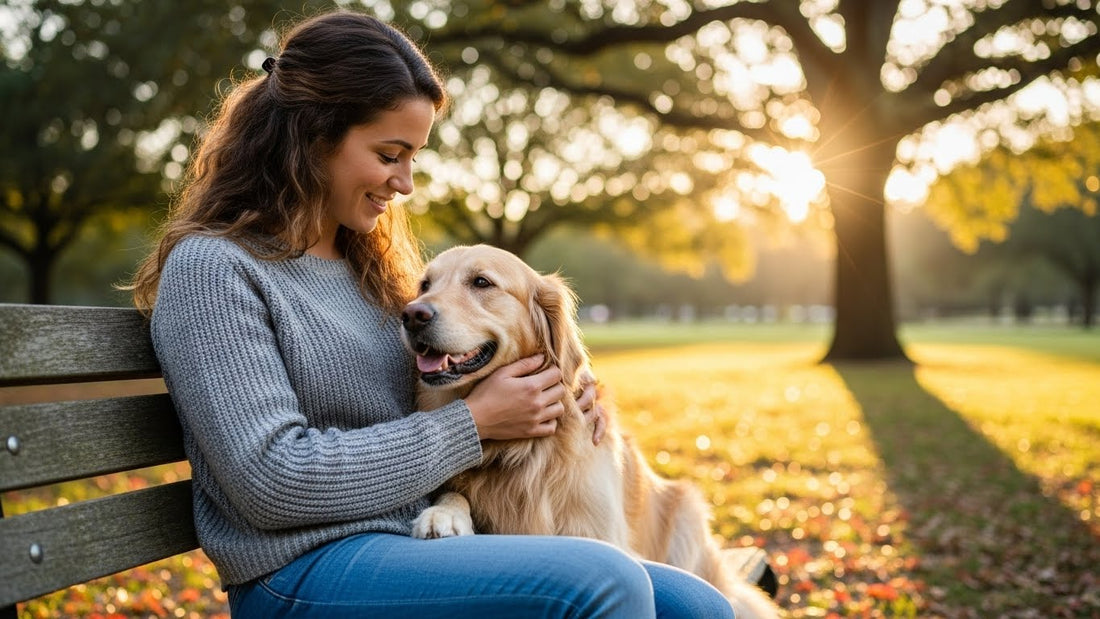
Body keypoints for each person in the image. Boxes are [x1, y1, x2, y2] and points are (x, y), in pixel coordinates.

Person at [129, 9, 735, 618]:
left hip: (426, 535)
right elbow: (270, 481)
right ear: (314, 137)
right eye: (390, 154)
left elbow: (456, 368)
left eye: (412, 156)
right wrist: (473, 423)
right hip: (304, 570)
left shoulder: (367, 266)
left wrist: (566, 392)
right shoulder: (213, 271)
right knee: (609, 582)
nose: (406, 182)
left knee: (699, 606)